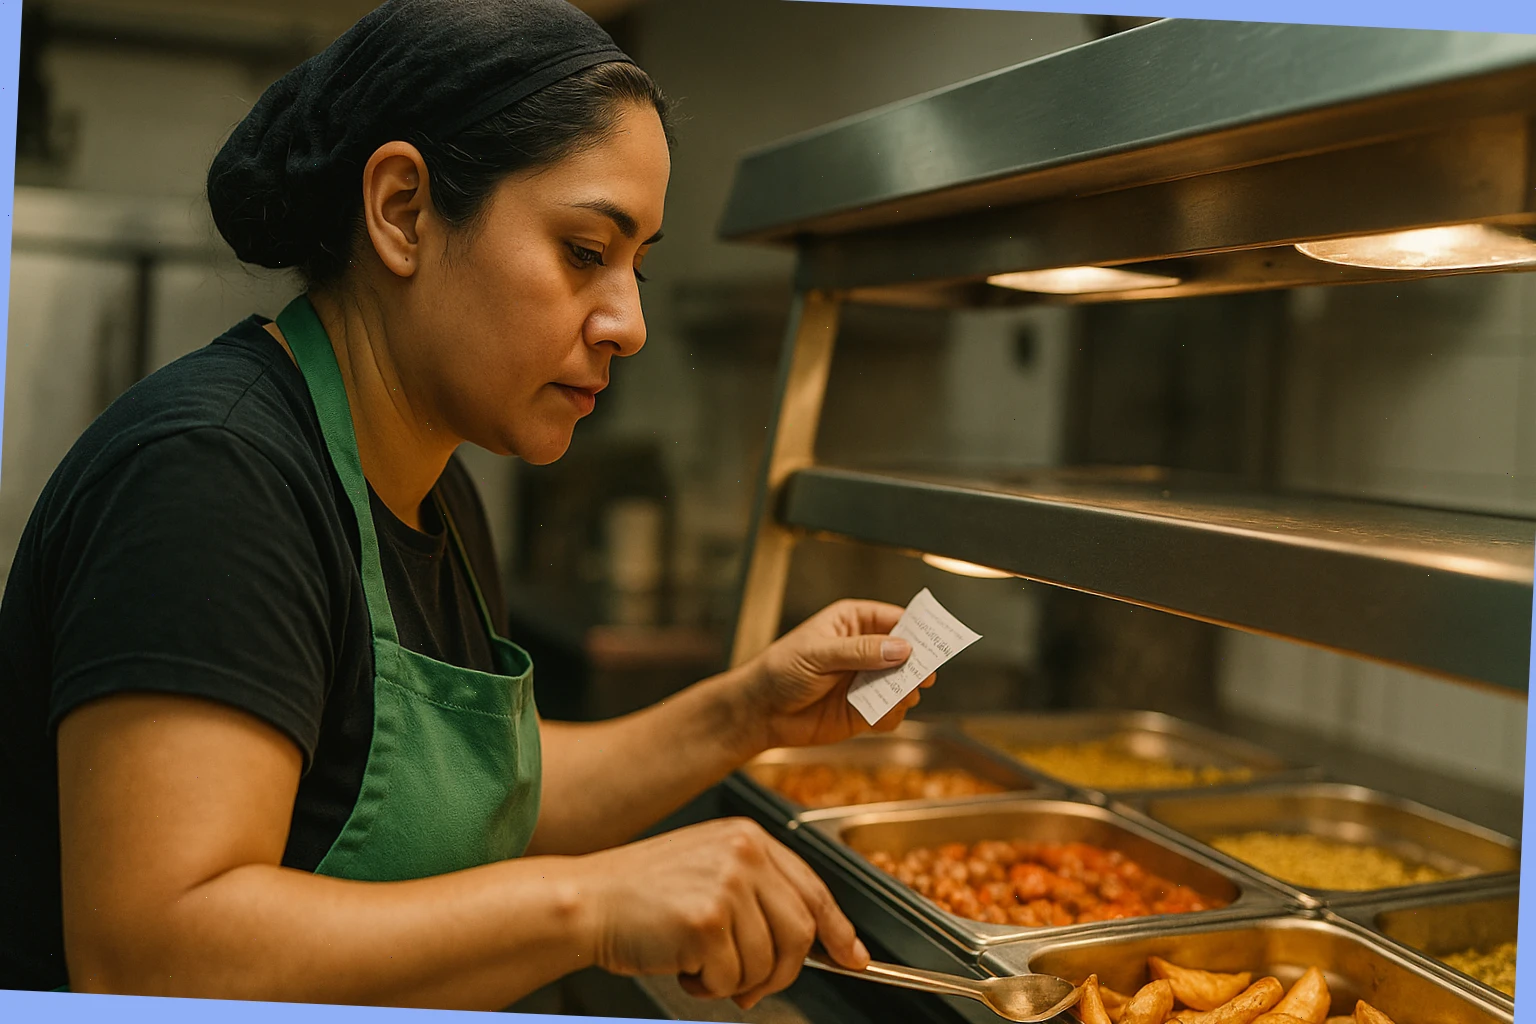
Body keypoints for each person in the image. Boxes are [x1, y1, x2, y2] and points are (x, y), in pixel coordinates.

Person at [0, 0, 939, 1011]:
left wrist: (748, 708)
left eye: (640, 265)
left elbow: (492, 796)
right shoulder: (212, 476)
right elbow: (153, 952)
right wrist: (595, 903)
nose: (631, 322)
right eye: (587, 251)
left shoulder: (435, 491)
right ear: (402, 210)